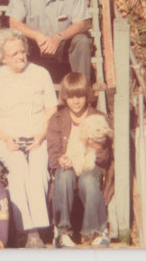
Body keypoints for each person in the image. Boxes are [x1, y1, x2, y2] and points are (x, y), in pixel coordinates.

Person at [0, 29, 58, 248]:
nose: (21, 57)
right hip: (5, 136)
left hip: (37, 133)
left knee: (38, 170)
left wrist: (41, 136)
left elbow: (52, 110)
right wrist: (6, 138)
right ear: (2, 57)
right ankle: (28, 230)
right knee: (19, 169)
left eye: (22, 52)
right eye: (14, 54)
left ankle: (39, 226)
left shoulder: (40, 73)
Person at [46, 72, 114, 248]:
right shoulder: (57, 119)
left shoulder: (98, 118)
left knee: (89, 180)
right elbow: (53, 151)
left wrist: (97, 147)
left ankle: (97, 231)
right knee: (63, 177)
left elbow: (105, 158)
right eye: (71, 97)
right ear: (65, 98)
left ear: (87, 96)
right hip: (67, 165)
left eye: (80, 96)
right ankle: (61, 232)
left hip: (90, 165)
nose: (76, 101)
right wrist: (60, 159)